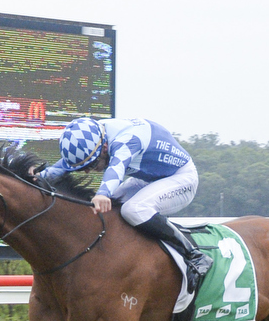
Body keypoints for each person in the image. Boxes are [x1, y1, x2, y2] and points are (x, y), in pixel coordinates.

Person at [35, 116, 212, 292]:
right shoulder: (97, 136)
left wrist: (103, 193)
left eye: (91, 164)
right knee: (109, 211)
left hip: (181, 178)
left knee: (133, 210)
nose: (88, 171)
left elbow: (116, 168)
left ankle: (194, 255)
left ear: (104, 148)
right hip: (149, 178)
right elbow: (61, 168)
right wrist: (34, 178)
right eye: (83, 168)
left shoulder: (126, 140)